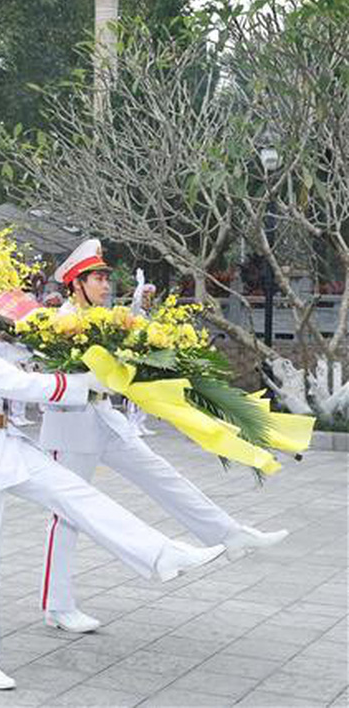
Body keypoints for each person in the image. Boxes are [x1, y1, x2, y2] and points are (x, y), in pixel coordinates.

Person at [0, 233, 226, 690]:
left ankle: (161, 554)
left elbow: (9, 360)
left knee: (78, 496)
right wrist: (82, 380)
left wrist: (37, 348)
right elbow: (16, 384)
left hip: (0, 441)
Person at [37, 239, 288, 634]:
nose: (106, 284)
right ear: (76, 283)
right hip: (70, 428)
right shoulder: (60, 323)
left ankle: (228, 534)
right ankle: (57, 604)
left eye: (106, 277)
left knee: (162, 473)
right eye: (98, 278)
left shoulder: (103, 318)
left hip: (105, 419)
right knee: (67, 516)